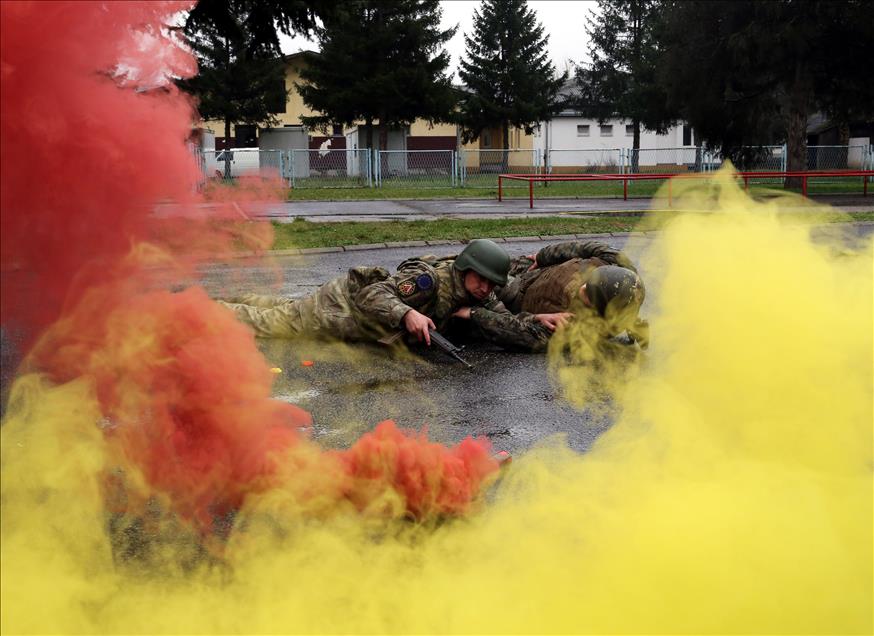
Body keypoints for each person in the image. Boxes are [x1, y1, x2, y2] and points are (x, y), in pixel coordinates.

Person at [218, 239, 563, 349]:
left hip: (356, 314)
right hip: (341, 309)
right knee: (268, 324)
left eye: (492, 284)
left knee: (282, 307)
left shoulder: (475, 294)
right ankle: (195, 311)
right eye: (482, 281)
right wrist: (407, 314)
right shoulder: (429, 281)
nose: (487, 289)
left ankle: (228, 297)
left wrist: (533, 320)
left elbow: (502, 319)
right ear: (466, 268)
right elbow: (371, 294)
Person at [453, 240, 648, 351]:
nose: (583, 289)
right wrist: (543, 256)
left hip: (517, 293)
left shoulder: (580, 327)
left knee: (461, 285)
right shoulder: (620, 268)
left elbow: (523, 334)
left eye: (588, 294)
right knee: (477, 259)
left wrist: (474, 314)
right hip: (535, 269)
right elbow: (586, 248)